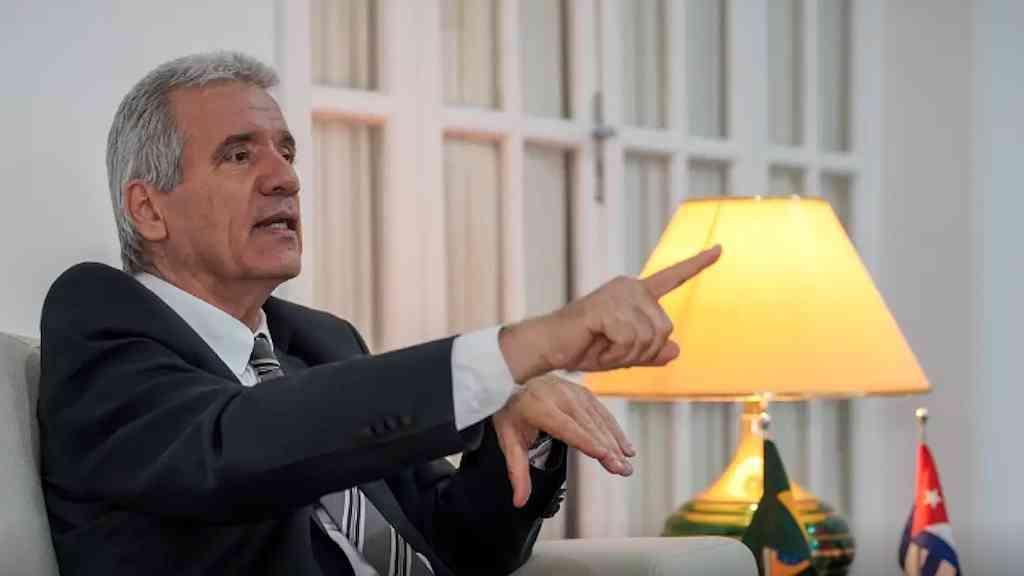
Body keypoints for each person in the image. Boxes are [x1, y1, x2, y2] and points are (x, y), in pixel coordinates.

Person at [38, 52, 721, 576]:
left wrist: (516, 433)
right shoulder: (101, 325)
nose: (285, 178)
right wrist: (520, 349)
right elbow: (236, 447)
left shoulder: (319, 340)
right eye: (239, 155)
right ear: (148, 208)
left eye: (286, 151)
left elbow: (456, 542)